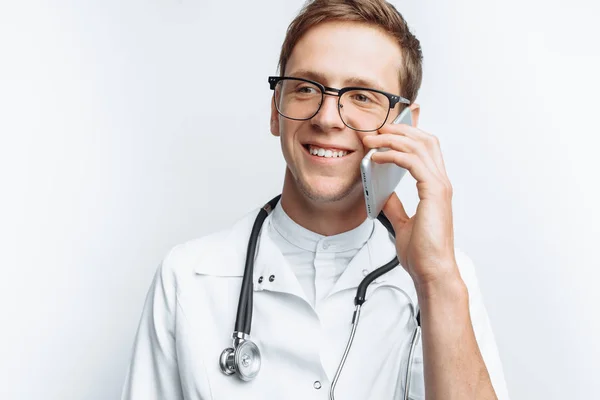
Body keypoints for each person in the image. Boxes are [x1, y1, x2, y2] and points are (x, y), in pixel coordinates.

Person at [121, 0, 509, 399]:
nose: (326, 118)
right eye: (306, 88)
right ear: (276, 111)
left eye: (362, 96)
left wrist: (434, 281)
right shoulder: (188, 279)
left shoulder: (446, 277)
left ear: (404, 125)